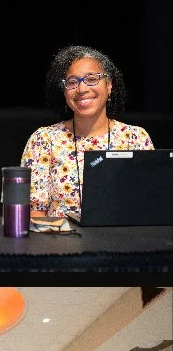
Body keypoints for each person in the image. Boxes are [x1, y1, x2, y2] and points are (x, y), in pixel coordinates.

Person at [22, 45, 154, 220]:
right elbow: (33, 213)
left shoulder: (136, 138)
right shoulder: (44, 140)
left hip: (123, 244)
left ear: (109, 85)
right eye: (72, 82)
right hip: (59, 244)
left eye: (91, 79)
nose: (82, 89)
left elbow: (150, 206)